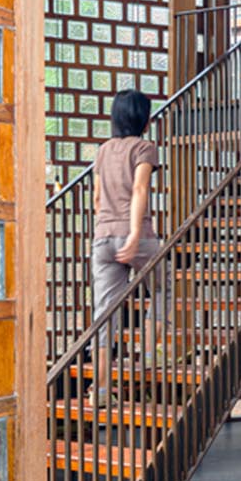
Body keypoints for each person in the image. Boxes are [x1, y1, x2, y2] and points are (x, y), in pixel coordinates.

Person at [91, 88, 163, 403]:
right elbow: (140, 188)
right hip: (137, 236)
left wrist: (108, 227)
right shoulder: (145, 148)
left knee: (105, 314)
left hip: (102, 237)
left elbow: (96, 197)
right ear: (143, 119)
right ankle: (149, 353)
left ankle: (102, 391)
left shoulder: (103, 150)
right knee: (163, 288)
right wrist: (134, 233)